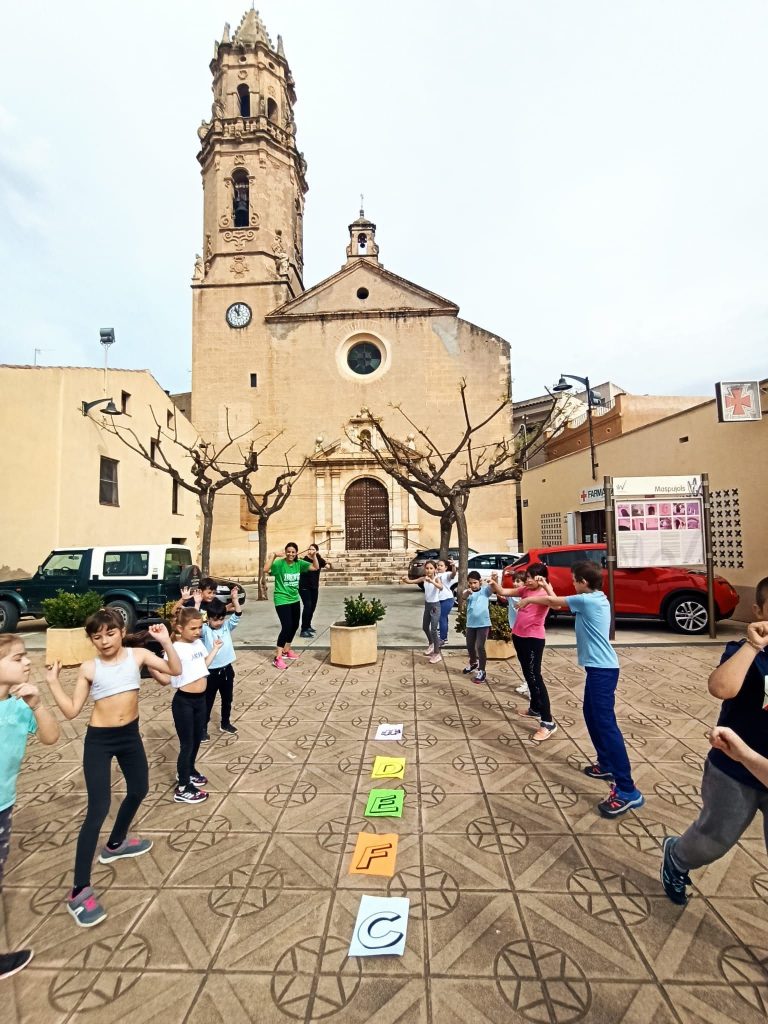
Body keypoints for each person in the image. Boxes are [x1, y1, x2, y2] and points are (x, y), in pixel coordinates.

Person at [46, 609, 181, 928]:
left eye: (109, 633)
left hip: (129, 735)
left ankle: (116, 842)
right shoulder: (89, 667)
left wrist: (166, 642)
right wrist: (52, 682)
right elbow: (71, 711)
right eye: (97, 636)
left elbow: (174, 671)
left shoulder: (138, 655)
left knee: (139, 789)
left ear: (121, 631)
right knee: (98, 808)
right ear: (91, 639)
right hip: (99, 740)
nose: (104, 641)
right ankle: (79, 890)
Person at [660, 580, 768, 906]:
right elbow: (721, 687)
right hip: (733, 770)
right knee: (714, 839)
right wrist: (753, 647)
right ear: (758, 611)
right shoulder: (745, 652)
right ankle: (677, 858)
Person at [519, 560, 644, 816]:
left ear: (584, 582)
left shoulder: (589, 600)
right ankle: (606, 764)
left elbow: (553, 603)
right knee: (591, 715)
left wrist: (531, 600)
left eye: (575, 579)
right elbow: (557, 600)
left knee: (606, 725)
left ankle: (628, 790)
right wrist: (546, 587)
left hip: (603, 671)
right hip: (598, 670)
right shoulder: (594, 598)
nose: (574, 584)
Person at [0, 635, 59, 978]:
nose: (27, 662)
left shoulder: (20, 706)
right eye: (18, 657)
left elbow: (51, 737)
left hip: (4, 806)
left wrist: (38, 705)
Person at [149, 607, 222, 804]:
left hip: (201, 701)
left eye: (200, 627)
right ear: (180, 628)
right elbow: (165, 679)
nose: (198, 632)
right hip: (184, 702)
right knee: (187, 744)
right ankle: (182, 787)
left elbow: (203, 665)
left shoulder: (198, 643)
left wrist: (215, 649)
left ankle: (189, 771)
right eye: (193, 628)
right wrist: (151, 667)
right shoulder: (175, 649)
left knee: (197, 739)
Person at [492, 564, 558, 742]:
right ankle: (535, 708)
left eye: (533, 577)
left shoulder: (544, 592)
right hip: (519, 637)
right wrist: (494, 584)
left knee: (535, 677)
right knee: (528, 674)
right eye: (528, 576)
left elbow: (556, 604)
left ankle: (547, 722)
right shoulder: (525, 590)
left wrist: (544, 586)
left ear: (541, 578)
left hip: (533, 639)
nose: (528, 580)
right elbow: (504, 592)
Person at [265, 543, 320, 669]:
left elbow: (315, 567)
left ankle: (286, 650)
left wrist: (314, 556)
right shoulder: (280, 564)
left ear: (296, 553)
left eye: (293, 552)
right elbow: (266, 569)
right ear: (285, 552)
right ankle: (278, 657)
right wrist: (273, 556)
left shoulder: (299, 564)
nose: (290, 554)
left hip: (294, 599)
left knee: (295, 625)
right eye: (288, 551)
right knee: (287, 626)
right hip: (281, 599)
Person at [201, 589, 242, 740]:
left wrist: (235, 600)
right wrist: (198, 603)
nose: (219, 622)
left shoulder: (226, 626)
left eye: (221, 619)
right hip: (211, 673)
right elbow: (193, 621)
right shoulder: (204, 630)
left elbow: (237, 615)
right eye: (216, 620)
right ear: (208, 619)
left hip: (227, 670)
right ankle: (202, 728)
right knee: (207, 701)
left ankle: (225, 723)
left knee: (227, 698)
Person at [401, 560, 445, 664]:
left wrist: (432, 582)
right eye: (427, 568)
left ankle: (437, 653)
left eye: (431, 568)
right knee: (425, 627)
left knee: (434, 629)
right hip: (427, 605)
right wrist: (405, 580)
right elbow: (411, 581)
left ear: (435, 569)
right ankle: (431, 644)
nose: (429, 570)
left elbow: (441, 587)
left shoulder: (436, 578)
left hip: (435, 606)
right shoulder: (423, 578)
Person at [462, 570, 492, 683]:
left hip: (483, 624)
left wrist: (493, 579)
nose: (473, 585)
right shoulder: (468, 592)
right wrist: (468, 592)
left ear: (479, 582)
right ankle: (473, 663)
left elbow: (492, 588)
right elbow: (464, 596)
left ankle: (482, 671)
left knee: (480, 647)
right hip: (471, 624)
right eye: (470, 583)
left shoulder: (485, 591)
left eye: (475, 582)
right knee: (470, 646)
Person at [299, 544, 329, 638]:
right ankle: (303, 630)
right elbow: (312, 567)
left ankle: (308, 626)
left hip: (314, 587)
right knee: (307, 606)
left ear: (317, 551)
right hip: (304, 586)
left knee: (312, 607)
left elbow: (327, 566)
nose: (311, 551)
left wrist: (326, 562)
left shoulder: (319, 558)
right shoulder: (304, 560)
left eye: (313, 549)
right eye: (309, 549)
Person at [435, 558, 457, 647]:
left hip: (447, 599)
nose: (439, 567)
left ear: (446, 567)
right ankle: (444, 637)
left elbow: (453, 574)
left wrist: (453, 566)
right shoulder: (435, 575)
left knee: (441, 617)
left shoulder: (446, 574)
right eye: (438, 565)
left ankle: (442, 639)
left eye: (441, 565)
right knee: (443, 618)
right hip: (438, 599)